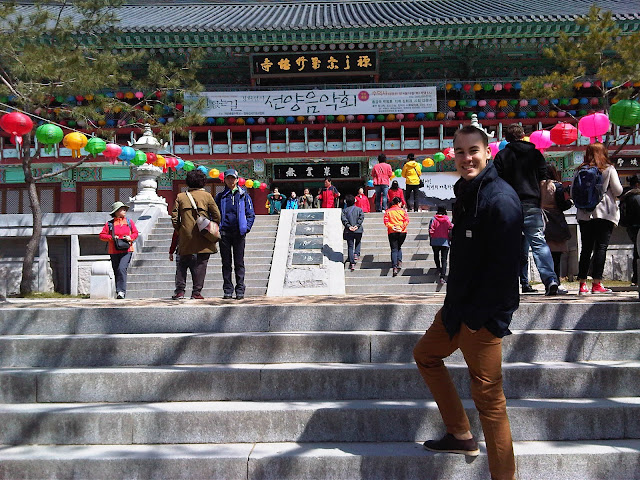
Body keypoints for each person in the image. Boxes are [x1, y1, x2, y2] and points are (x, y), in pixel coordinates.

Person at [413, 126, 522, 480]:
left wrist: (485, 319)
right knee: (425, 355)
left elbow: (507, 268)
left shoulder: (499, 198)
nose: (466, 158)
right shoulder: (467, 191)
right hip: (456, 309)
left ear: (487, 152)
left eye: (473, 150)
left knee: (490, 403)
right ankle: (459, 432)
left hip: (482, 316)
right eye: (459, 152)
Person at [494, 123, 560, 295]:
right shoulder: (536, 154)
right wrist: (541, 203)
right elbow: (543, 181)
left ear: (507, 139)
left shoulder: (502, 155)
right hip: (532, 203)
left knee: (507, 246)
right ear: (523, 135)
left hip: (509, 206)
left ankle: (506, 284)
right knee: (538, 243)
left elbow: (497, 184)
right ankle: (550, 279)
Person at [573, 143, 623, 294]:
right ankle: (596, 283)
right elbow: (618, 190)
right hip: (604, 213)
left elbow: (572, 190)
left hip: (584, 214)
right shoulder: (608, 169)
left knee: (586, 248)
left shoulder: (579, 170)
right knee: (601, 247)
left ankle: (582, 284)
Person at [171, 169, 221, 300]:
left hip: (186, 236)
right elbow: (217, 215)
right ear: (203, 182)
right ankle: (196, 292)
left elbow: (174, 218)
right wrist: (211, 226)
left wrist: (180, 230)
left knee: (182, 263)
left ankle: (180, 291)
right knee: (201, 264)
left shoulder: (180, 197)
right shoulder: (207, 196)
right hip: (203, 235)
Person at [215, 169, 256, 300]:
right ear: (224, 180)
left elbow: (251, 214)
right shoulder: (220, 197)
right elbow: (214, 214)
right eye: (228, 178)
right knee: (226, 263)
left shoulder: (244, 195)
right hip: (224, 233)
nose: (231, 181)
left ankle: (240, 289)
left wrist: (246, 228)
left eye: (233, 178)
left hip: (239, 233)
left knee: (239, 262)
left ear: (237, 179)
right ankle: (227, 290)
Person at [99, 201, 139, 299]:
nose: (124, 211)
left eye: (125, 209)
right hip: (114, 250)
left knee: (122, 268)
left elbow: (136, 233)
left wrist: (130, 238)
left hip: (127, 249)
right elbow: (101, 235)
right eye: (122, 209)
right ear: (116, 211)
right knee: (116, 270)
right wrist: (112, 237)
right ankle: (118, 291)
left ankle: (121, 291)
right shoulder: (110, 224)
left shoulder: (129, 222)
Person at [540, 164, 572, 288]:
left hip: (541, 219)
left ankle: (548, 281)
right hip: (555, 220)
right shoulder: (557, 186)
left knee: (543, 252)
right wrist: (570, 202)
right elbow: (563, 205)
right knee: (556, 254)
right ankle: (556, 281)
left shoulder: (538, 185)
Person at [619, 174, 640, 286]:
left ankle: (635, 278)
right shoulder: (637, 197)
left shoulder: (626, 197)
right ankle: (636, 278)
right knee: (638, 253)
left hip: (630, 228)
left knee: (636, 253)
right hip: (637, 227)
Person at [383, 196, 409, 277]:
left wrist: (392, 226)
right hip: (402, 232)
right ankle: (399, 262)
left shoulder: (388, 211)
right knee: (399, 247)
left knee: (394, 249)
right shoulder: (403, 211)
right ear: (399, 203)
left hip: (392, 232)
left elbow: (386, 221)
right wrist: (401, 227)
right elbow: (406, 220)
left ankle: (394, 267)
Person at [429, 205, 453, 285]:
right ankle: (442, 277)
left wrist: (432, 237)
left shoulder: (433, 219)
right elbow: (450, 227)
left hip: (435, 241)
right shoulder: (447, 219)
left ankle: (438, 268)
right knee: (444, 259)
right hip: (445, 241)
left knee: (436, 256)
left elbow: (431, 230)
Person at [341, 194, 364, 272]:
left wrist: (349, 226)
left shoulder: (344, 211)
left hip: (349, 231)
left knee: (350, 246)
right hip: (358, 230)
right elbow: (361, 217)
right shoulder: (359, 209)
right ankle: (356, 254)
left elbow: (343, 219)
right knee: (358, 242)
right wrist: (357, 226)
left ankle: (352, 263)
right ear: (354, 201)